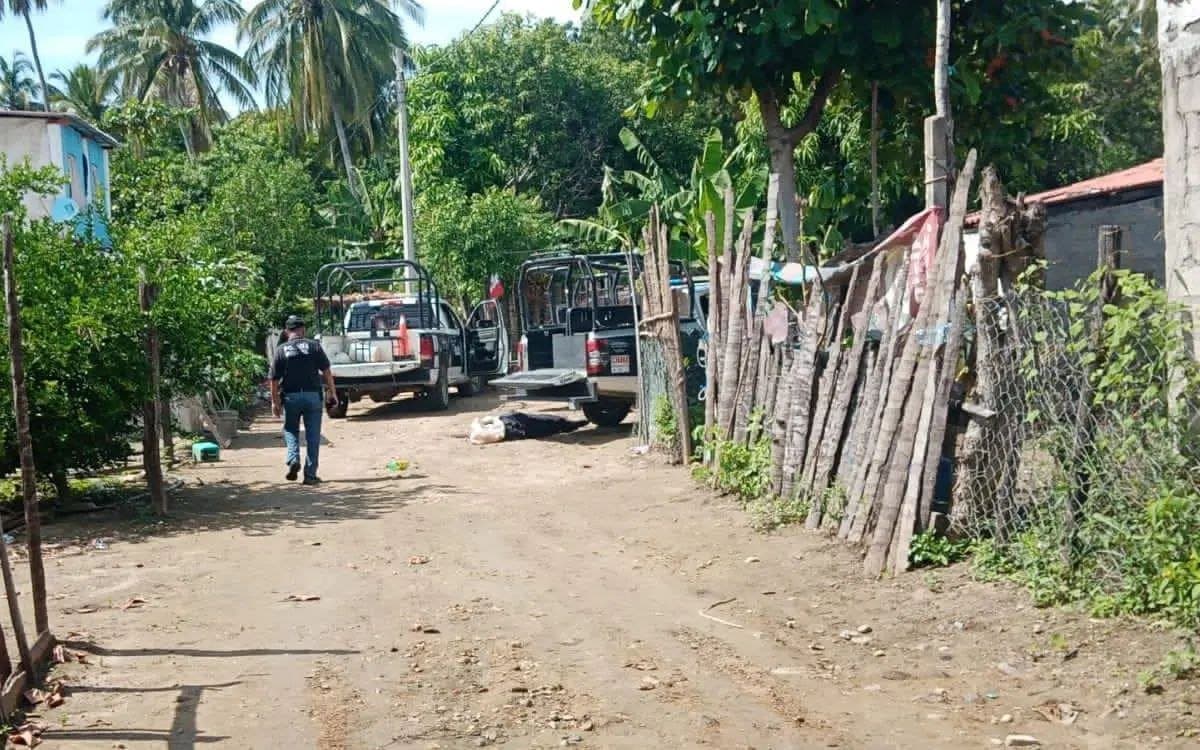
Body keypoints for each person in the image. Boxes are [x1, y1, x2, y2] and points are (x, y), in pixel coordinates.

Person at [268, 315, 337, 484]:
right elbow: (327, 371)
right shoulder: (314, 346)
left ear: (286, 331)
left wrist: (275, 402)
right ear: (303, 330)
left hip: (291, 397)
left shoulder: (281, 350)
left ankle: (293, 460)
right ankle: (310, 475)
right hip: (313, 396)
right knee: (313, 437)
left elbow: (274, 380)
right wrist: (332, 392)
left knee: (291, 430)